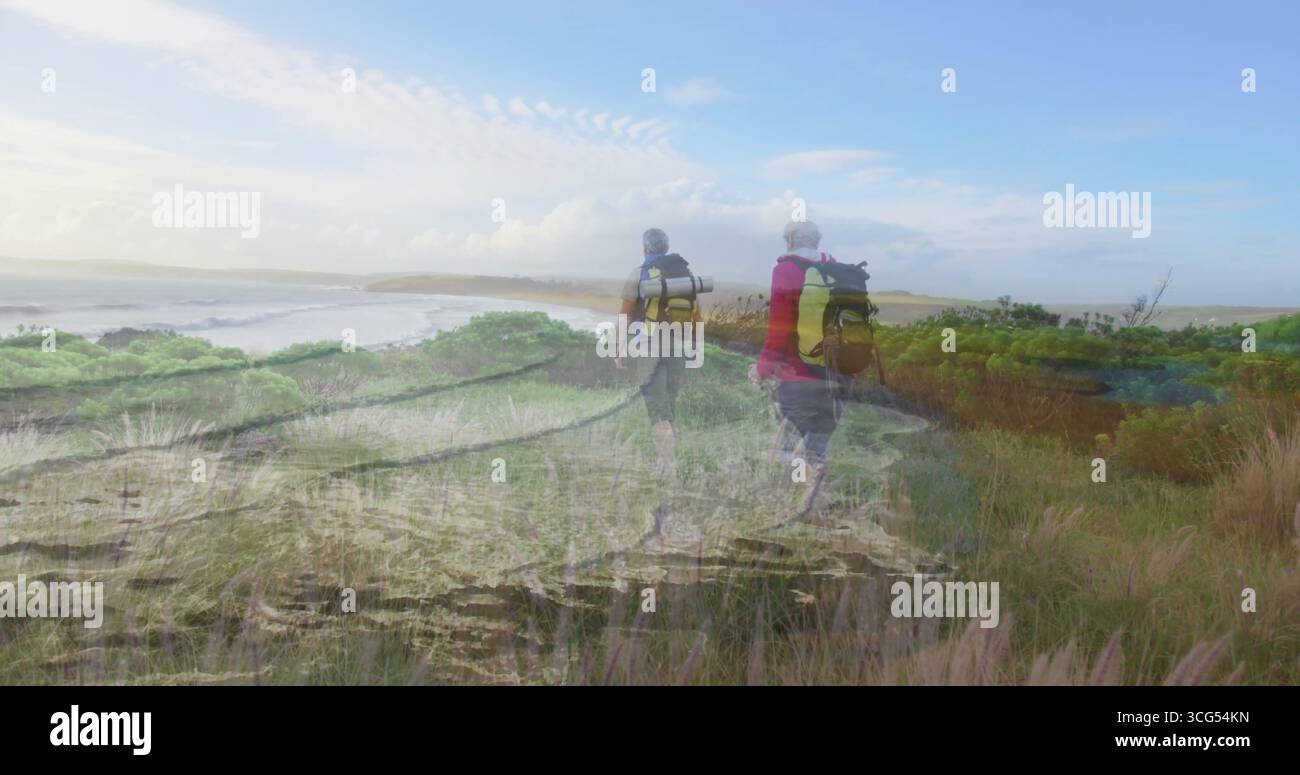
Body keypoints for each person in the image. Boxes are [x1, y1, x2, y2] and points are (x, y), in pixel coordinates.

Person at [748, 220, 850, 510]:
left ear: (790, 241)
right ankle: (821, 512)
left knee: (786, 450)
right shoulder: (838, 271)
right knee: (815, 450)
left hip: (800, 378)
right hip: (840, 378)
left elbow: (779, 328)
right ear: (817, 242)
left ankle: (792, 511)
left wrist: (762, 369)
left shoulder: (787, 270)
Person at [617, 227, 702, 480]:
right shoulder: (685, 276)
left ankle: (669, 470)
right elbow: (697, 317)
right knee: (669, 406)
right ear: (666, 247)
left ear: (645, 249)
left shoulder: (639, 273)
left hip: (650, 347)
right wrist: (694, 349)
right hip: (678, 346)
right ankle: (669, 464)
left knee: (657, 410)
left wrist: (621, 348)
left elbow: (626, 314)